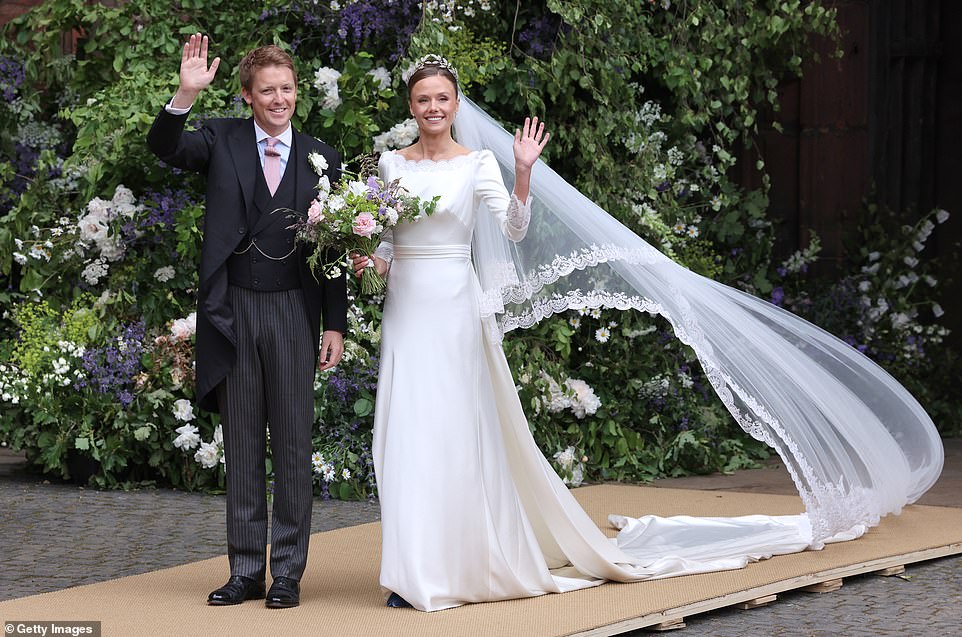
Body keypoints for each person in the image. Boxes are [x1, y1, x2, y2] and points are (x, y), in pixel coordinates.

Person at [353, 55, 944, 612]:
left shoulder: (478, 163)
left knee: (451, 436)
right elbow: (387, 239)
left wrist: (524, 173)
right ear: (411, 107)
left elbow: (513, 228)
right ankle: (409, 570)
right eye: (422, 99)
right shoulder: (391, 164)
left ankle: (449, 568)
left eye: (441, 98)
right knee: (402, 432)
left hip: (454, 306)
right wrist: (367, 259)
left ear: (455, 104)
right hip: (407, 309)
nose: (432, 107)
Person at [148, 35, 347, 609]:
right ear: (247, 96)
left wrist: (334, 322)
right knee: (241, 444)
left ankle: (286, 571)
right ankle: (244, 570)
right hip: (232, 311)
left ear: (295, 93)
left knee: (291, 443)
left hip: (292, 311)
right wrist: (185, 95)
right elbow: (165, 146)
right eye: (267, 90)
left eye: (286, 88)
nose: (278, 98)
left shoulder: (320, 155)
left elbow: (333, 247)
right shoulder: (221, 140)